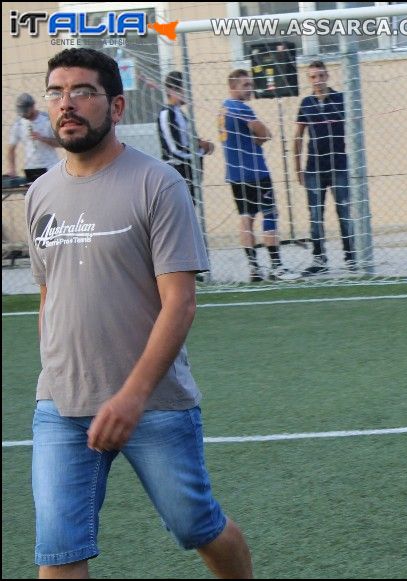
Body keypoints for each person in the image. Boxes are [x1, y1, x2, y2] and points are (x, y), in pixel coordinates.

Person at [25, 47, 252, 578]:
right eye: (57, 92)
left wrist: (131, 395)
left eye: (83, 91)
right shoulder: (39, 194)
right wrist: (56, 374)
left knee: (196, 525)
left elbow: (181, 301)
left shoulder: (158, 183)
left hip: (153, 404)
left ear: (118, 107)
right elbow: (47, 295)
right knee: (59, 550)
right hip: (60, 404)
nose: (67, 103)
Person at [220, 69, 299, 282]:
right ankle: (277, 267)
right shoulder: (240, 108)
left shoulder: (223, 109)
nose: (250, 88)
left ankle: (254, 268)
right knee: (270, 214)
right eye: (245, 85)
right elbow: (264, 132)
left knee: (246, 219)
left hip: (235, 175)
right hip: (255, 172)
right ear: (233, 87)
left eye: (250, 84)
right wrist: (260, 139)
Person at [293, 60, 355, 276]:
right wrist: (297, 167)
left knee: (344, 212)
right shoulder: (306, 103)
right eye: (312, 77)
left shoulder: (340, 99)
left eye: (320, 76)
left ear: (327, 76)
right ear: (308, 79)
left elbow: (355, 129)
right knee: (315, 216)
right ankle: (320, 260)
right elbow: (298, 137)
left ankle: (351, 258)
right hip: (314, 169)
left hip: (339, 166)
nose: (317, 80)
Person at [159, 71, 214, 204]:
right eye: (186, 89)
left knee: (192, 213)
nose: (189, 93)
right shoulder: (167, 114)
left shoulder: (181, 114)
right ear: (173, 90)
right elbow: (175, 149)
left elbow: (189, 141)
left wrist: (202, 144)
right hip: (177, 173)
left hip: (190, 172)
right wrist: (199, 151)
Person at [5, 93, 61, 182]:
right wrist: (11, 168)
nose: (23, 114)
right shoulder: (18, 123)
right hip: (31, 168)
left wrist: (43, 138)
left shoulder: (47, 119)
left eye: (26, 111)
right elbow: (11, 148)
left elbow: (60, 143)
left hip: (50, 166)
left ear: (32, 106)